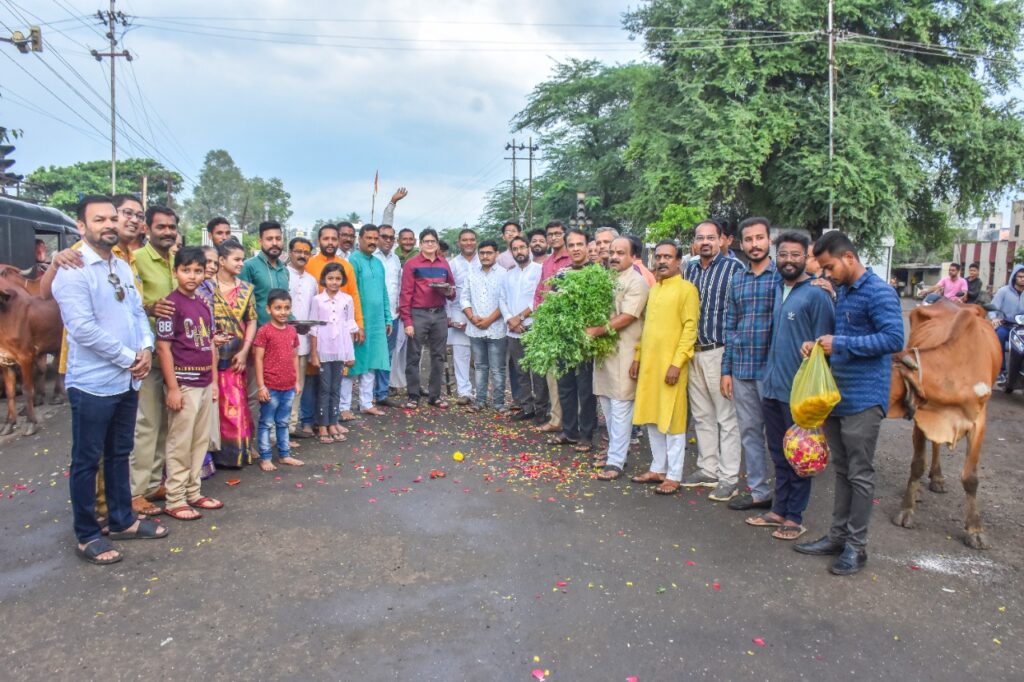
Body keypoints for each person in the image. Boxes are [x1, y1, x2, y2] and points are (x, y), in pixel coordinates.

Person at [54, 195, 169, 565]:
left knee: (120, 453)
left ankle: (122, 521)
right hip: (92, 382)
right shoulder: (72, 270)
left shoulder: (119, 265)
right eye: (98, 219)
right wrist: (128, 357)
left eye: (111, 218)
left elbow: (137, 312)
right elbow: (82, 329)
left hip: (127, 379)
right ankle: (87, 534)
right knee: (87, 459)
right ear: (81, 226)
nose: (107, 224)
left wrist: (147, 347)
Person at [794, 231, 904, 576]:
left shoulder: (879, 292)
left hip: (864, 399)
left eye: (829, 267)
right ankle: (837, 537)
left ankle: (857, 547)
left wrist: (838, 343)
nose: (826, 274)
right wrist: (818, 346)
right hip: (837, 398)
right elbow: (841, 342)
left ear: (849, 258)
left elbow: (894, 339)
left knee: (859, 473)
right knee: (842, 471)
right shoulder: (842, 291)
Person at [746, 232, 834, 540]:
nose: (788, 260)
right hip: (772, 386)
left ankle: (795, 518)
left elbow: (827, 345)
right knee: (779, 454)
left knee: (800, 455)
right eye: (783, 254)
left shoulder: (817, 294)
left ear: (806, 256)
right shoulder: (776, 289)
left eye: (795, 255)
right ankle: (778, 510)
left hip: (800, 394)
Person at [156, 246, 224, 521]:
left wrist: (214, 382)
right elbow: (163, 348)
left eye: (198, 271)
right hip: (184, 383)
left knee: (199, 441)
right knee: (179, 443)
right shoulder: (170, 305)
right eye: (186, 270)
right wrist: (172, 387)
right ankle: (174, 498)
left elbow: (208, 345)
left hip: (205, 382)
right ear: (175, 272)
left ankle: (193, 492)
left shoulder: (202, 304)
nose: (192, 276)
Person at [629, 240, 700, 494]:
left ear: (678, 260)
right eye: (658, 256)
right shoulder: (655, 289)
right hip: (650, 364)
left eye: (668, 257)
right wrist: (637, 356)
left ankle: (674, 474)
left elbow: (690, 329)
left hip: (672, 366)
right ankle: (657, 468)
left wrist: (677, 363)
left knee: (673, 421)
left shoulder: (687, 290)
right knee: (651, 418)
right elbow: (646, 327)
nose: (662, 261)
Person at [683, 219, 743, 501]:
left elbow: (741, 316)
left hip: (720, 352)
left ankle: (729, 476)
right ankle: (708, 468)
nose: (705, 242)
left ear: (722, 240)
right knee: (702, 415)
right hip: (694, 352)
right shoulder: (690, 269)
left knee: (727, 418)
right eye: (700, 237)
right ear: (694, 242)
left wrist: (730, 362)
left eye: (711, 237)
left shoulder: (734, 269)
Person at [720, 217, 777, 512]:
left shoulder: (783, 277)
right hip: (742, 369)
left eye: (760, 238)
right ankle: (759, 492)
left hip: (774, 372)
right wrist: (726, 370)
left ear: (769, 241)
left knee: (779, 435)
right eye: (749, 239)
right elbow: (731, 327)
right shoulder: (738, 279)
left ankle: (787, 498)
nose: (755, 244)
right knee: (750, 433)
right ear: (741, 244)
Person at [130, 205, 180, 516]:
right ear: (147, 229)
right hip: (149, 351)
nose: (167, 232)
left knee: (165, 422)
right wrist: (151, 307)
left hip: (177, 354)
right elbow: (132, 305)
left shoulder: (177, 261)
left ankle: (153, 483)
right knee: (146, 423)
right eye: (161, 226)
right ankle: (135, 492)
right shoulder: (136, 261)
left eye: (171, 227)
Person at [591, 237, 649, 480]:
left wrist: (595, 331)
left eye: (620, 253)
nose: (613, 257)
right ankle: (614, 452)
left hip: (625, 352)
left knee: (621, 408)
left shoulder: (637, 282)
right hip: (605, 354)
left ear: (633, 256)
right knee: (607, 404)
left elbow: (627, 316)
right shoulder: (607, 279)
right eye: (612, 252)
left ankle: (616, 461)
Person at [305, 223, 364, 420]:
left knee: (334, 380)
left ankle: (331, 418)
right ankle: (310, 421)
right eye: (326, 239)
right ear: (319, 241)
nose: (330, 243)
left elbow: (353, 296)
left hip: (338, 335)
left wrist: (359, 325)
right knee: (312, 377)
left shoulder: (346, 266)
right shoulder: (310, 264)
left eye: (333, 239)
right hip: (313, 332)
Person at [547, 229, 598, 452]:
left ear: (588, 246)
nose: (576, 248)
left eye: (580, 244)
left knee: (586, 391)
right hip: (564, 341)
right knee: (565, 388)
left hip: (586, 341)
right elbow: (554, 305)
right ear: (567, 249)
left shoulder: (597, 273)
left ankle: (586, 435)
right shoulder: (561, 274)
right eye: (572, 245)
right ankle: (569, 431)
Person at [399, 228, 457, 409]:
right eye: (426, 241)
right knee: (414, 356)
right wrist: (407, 321)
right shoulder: (412, 264)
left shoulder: (444, 263)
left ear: (437, 244)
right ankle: (413, 395)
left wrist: (448, 291)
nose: (430, 244)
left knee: (438, 356)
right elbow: (405, 293)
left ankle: (435, 395)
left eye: (433, 241)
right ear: (420, 244)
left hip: (439, 313)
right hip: (418, 314)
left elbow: (452, 290)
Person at [211, 240, 257, 469]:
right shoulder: (207, 286)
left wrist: (245, 350)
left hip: (236, 357)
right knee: (214, 405)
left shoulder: (246, 289)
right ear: (221, 260)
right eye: (236, 259)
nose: (241, 263)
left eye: (242, 259)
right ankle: (213, 455)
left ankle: (236, 453)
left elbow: (251, 320)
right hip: (209, 358)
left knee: (235, 403)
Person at [253, 289, 302, 471]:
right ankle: (265, 457)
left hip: (288, 386)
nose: (282, 312)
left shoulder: (291, 331)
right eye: (278, 308)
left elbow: (295, 356)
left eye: (286, 308)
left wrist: (296, 381)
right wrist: (261, 386)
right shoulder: (264, 331)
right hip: (270, 386)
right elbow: (258, 358)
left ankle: (284, 454)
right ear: (268, 309)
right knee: (266, 422)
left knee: (283, 422)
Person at [500, 235, 546, 422]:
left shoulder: (539, 271)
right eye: (515, 249)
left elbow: (539, 298)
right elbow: (502, 299)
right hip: (513, 330)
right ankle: (527, 407)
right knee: (521, 371)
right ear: (511, 252)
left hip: (533, 328)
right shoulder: (508, 274)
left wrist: (520, 318)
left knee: (538, 373)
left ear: (528, 248)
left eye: (522, 247)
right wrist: (510, 320)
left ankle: (542, 410)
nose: (519, 251)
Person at [348, 224, 392, 416]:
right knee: (353, 365)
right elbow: (352, 294)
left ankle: (366, 403)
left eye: (376, 239)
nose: (373, 242)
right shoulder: (353, 261)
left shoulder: (377, 263)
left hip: (376, 322)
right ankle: (343, 407)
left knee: (372, 363)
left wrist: (388, 318)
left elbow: (383, 292)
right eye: (369, 238)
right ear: (360, 239)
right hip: (359, 321)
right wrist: (356, 323)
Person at [310, 264, 357, 443]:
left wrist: (349, 353)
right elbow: (313, 327)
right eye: (330, 278)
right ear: (324, 280)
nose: (334, 282)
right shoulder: (317, 300)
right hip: (323, 349)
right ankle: (322, 425)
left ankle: (333, 423)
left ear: (342, 280)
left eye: (338, 279)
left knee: (336, 388)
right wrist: (314, 354)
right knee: (324, 389)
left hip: (340, 349)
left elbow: (350, 326)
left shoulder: (347, 299)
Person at [461, 239, 508, 412]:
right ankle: (480, 401)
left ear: (496, 254)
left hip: (497, 329)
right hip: (475, 328)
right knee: (480, 367)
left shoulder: (504, 274)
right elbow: (464, 298)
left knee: (497, 369)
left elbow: (505, 301)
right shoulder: (471, 273)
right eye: (482, 253)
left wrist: (489, 320)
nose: (485, 256)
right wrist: (472, 317)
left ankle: (499, 403)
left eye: (489, 253)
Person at [534, 221, 570, 433]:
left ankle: (574, 422)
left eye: (558, 233)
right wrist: (539, 313)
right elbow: (540, 291)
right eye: (551, 234)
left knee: (571, 376)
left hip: (568, 324)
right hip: (549, 325)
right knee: (552, 375)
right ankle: (556, 419)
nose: (554, 237)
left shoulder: (572, 259)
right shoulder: (547, 263)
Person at [374, 190, 407, 404]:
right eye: (383, 237)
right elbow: (385, 223)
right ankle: (368, 396)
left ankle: (382, 393)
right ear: (376, 238)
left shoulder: (395, 260)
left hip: (393, 316)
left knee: (387, 354)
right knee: (372, 355)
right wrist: (392, 204)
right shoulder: (371, 257)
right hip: (374, 316)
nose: (387, 240)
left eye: (390, 238)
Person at [286, 237, 318, 438]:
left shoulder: (311, 280)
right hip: (281, 343)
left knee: (298, 387)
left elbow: (313, 313)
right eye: (298, 251)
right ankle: (275, 432)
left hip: (303, 343)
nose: (302, 255)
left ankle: (289, 429)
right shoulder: (283, 275)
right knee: (279, 389)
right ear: (290, 252)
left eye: (306, 252)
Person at [447, 228, 479, 405]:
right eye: (465, 240)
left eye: (471, 240)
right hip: (459, 313)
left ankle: (480, 392)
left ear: (476, 242)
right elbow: (448, 291)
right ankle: (464, 392)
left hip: (482, 314)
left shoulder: (483, 261)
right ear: (459, 243)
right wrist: (449, 316)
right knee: (461, 353)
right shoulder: (452, 264)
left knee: (482, 356)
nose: (468, 243)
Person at [991, 264, 1024, 385]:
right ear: (1014, 277)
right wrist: (994, 318)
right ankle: (1001, 371)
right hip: (1006, 325)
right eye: (1020, 276)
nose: (1022, 279)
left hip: (1022, 327)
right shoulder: (1003, 291)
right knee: (998, 337)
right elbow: (992, 308)